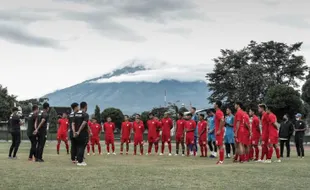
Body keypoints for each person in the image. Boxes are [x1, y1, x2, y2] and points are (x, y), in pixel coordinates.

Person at [72, 102, 91, 166]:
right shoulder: (85, 114)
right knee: (81, 147)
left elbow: (73, 123)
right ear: (85, 106)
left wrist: (74, 132)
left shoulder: (76, 114)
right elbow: (84, 123)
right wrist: (79, 131)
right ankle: (80, 161)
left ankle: (78, 160)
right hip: (83, 133)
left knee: (78, 146)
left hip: (76, 133)